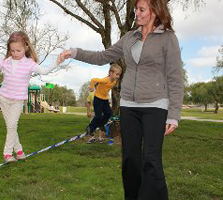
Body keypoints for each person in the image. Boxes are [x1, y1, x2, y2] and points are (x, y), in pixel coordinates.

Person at [59, 0, 184, 199]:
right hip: (129, 106)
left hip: (156, 105)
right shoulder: (130, 37)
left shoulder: (168, 38)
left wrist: (174, 114)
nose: (137, 13)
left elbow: (175, 77)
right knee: (130, 160)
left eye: (141, 9)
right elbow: (103, 56)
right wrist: (74, 53)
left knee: (151, 160)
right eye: (136, 9)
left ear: (155, 11)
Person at [0, 31, 62, 163]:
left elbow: (44, 71)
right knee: (11, 126)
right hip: (4, 98)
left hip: (18, 100)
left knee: (12, 125)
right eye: (12, 50)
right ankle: (19, 151)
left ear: (26, 47)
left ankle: (7, 153)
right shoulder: (5, 61)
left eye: (18, 50)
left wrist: (57, 62)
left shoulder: (30, 63)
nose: (15, 53)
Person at [86, 64, 122, 143]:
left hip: (105, 100)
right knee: (98, 116)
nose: (118, 76)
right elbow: (93, 80)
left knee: (108, 113)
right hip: (98, 99)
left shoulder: (115, 81)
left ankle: (101, 125)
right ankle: (90, 128)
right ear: (110, 73)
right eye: (117, 74)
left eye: (119, 75)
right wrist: (91, 87)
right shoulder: (105, 80)